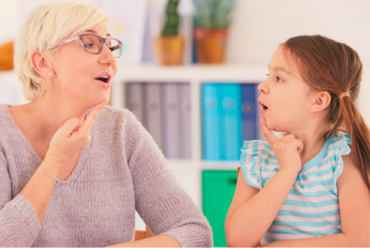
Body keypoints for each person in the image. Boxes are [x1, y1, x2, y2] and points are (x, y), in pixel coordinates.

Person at [0, 1, 212, 247]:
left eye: (110, 45)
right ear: (43, 63)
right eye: (89, 44)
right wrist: (55, 160)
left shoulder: (121, 130)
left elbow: (194, 232)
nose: (110, 59)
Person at [225, 35, 370, 247]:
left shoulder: (342, 158)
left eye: (279, 78)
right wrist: (287, 171)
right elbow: (238, 240)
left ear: (318, 101)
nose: (262, 86)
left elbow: (359, 241)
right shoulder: (258, 161)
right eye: (269, 74)